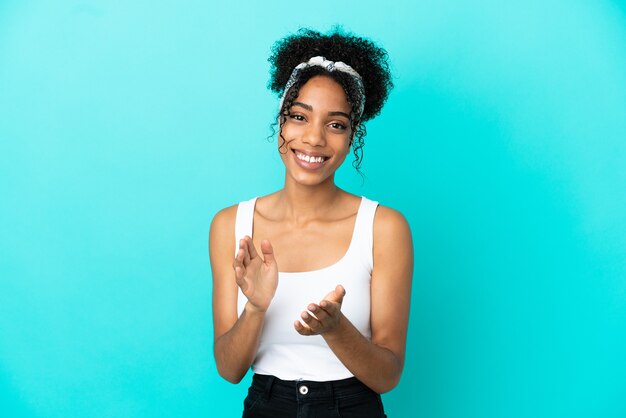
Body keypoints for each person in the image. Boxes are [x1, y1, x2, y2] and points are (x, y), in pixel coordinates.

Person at [209, 27, 413, 418]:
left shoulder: (384, 228)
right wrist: (255, 306)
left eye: (335, 124)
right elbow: (229, 369)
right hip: (267, 406)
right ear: (281, 123)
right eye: (300, 116)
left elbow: (387, 376)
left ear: (352, 135)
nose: (314, 138)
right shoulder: (231, 226)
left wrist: (337, 328)